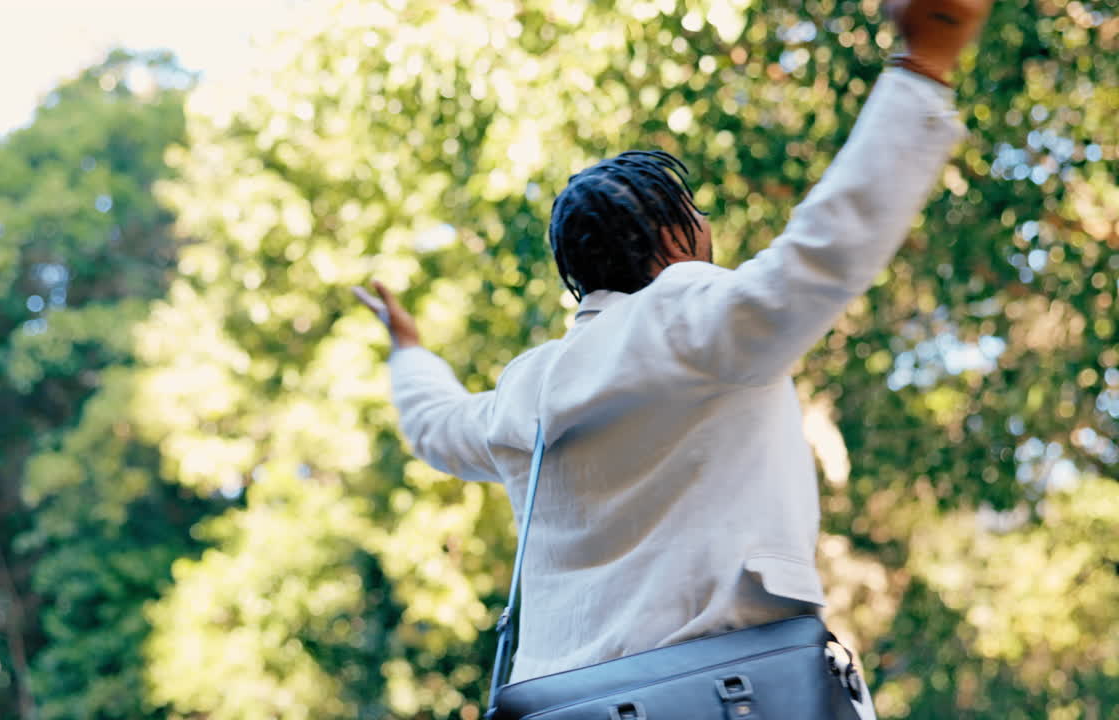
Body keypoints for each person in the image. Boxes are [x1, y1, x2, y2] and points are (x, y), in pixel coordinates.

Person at [354, 0, 993, 703]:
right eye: (697, 215)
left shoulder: (526, 390)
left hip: (567, 705)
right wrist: (921, 68)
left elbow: (434, 426)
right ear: (671, 241)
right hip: (729, 694)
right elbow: (823, 252)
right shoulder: (692, 316)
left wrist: (407, 350)